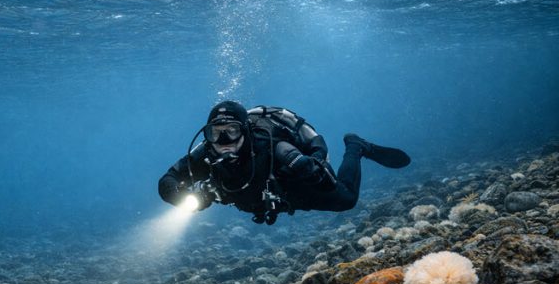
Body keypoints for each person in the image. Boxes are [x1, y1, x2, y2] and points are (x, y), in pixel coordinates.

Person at [158, 100, 411, 224]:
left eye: (232, 131)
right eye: (216, 132)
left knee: (346, 199)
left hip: (291, 189)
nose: (223, 139)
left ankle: (355, 146)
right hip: (260, 201)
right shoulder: (207, 154)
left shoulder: (273, 146)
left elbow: (315, 160)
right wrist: (185, 198)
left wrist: (311, 168)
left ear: (245, 131)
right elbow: (167, 180)